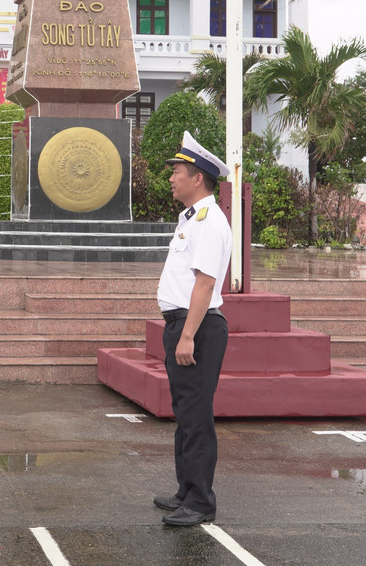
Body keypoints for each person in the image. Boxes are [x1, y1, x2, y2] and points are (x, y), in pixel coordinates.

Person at [153, 131, 232, 527]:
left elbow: (205, 283)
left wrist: (186, 335)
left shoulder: (208, 221)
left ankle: (201, 502)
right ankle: (186, 490)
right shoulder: (192, 219)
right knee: (185, 413)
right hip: (185, 324)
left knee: (197, 416)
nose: (171, 178)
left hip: (197, 327)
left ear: (197, 178)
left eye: (177, 172)